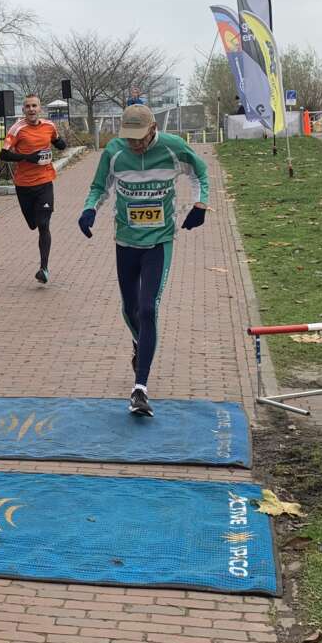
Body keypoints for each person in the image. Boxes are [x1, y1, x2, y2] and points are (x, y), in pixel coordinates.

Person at [77, 104, 209, 417]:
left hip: (159, 242)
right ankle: (140, 342)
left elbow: (200, 173)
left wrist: (200, 205)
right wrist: (89, 209)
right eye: (129, 137)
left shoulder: (173, 148)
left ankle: (140, 388)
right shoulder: (114, 151)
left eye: (140, 137)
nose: (134, 143)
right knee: (130, 309)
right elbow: (99, 187)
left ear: (153, 129)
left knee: (148, 308)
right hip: (126, 241)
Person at [0, 94, 67, 284]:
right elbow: (3, 154)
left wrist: (60, 144)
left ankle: (44, 269)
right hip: (24, 185)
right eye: (28, 106)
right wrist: (27, 158)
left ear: (40, 108)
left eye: (34, 106)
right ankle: (34, 221)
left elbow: (56, 140)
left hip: (45, 182)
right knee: (33, 224)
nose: (31, 109)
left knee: (44, 224)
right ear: (23, 110)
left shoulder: (49, 126)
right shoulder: (17, 129)